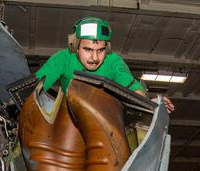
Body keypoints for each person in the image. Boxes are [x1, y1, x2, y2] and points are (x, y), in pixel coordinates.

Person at [35, 17, 174, 113]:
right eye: (88, 50)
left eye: (100, 50)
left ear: (106, 49)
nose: (94, 58)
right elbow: (35, 88)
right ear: (75, 47)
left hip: (106, 115)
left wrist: (152, 104)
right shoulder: (63, 58)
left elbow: (133, 89)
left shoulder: (113, 61)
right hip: (68, 113)